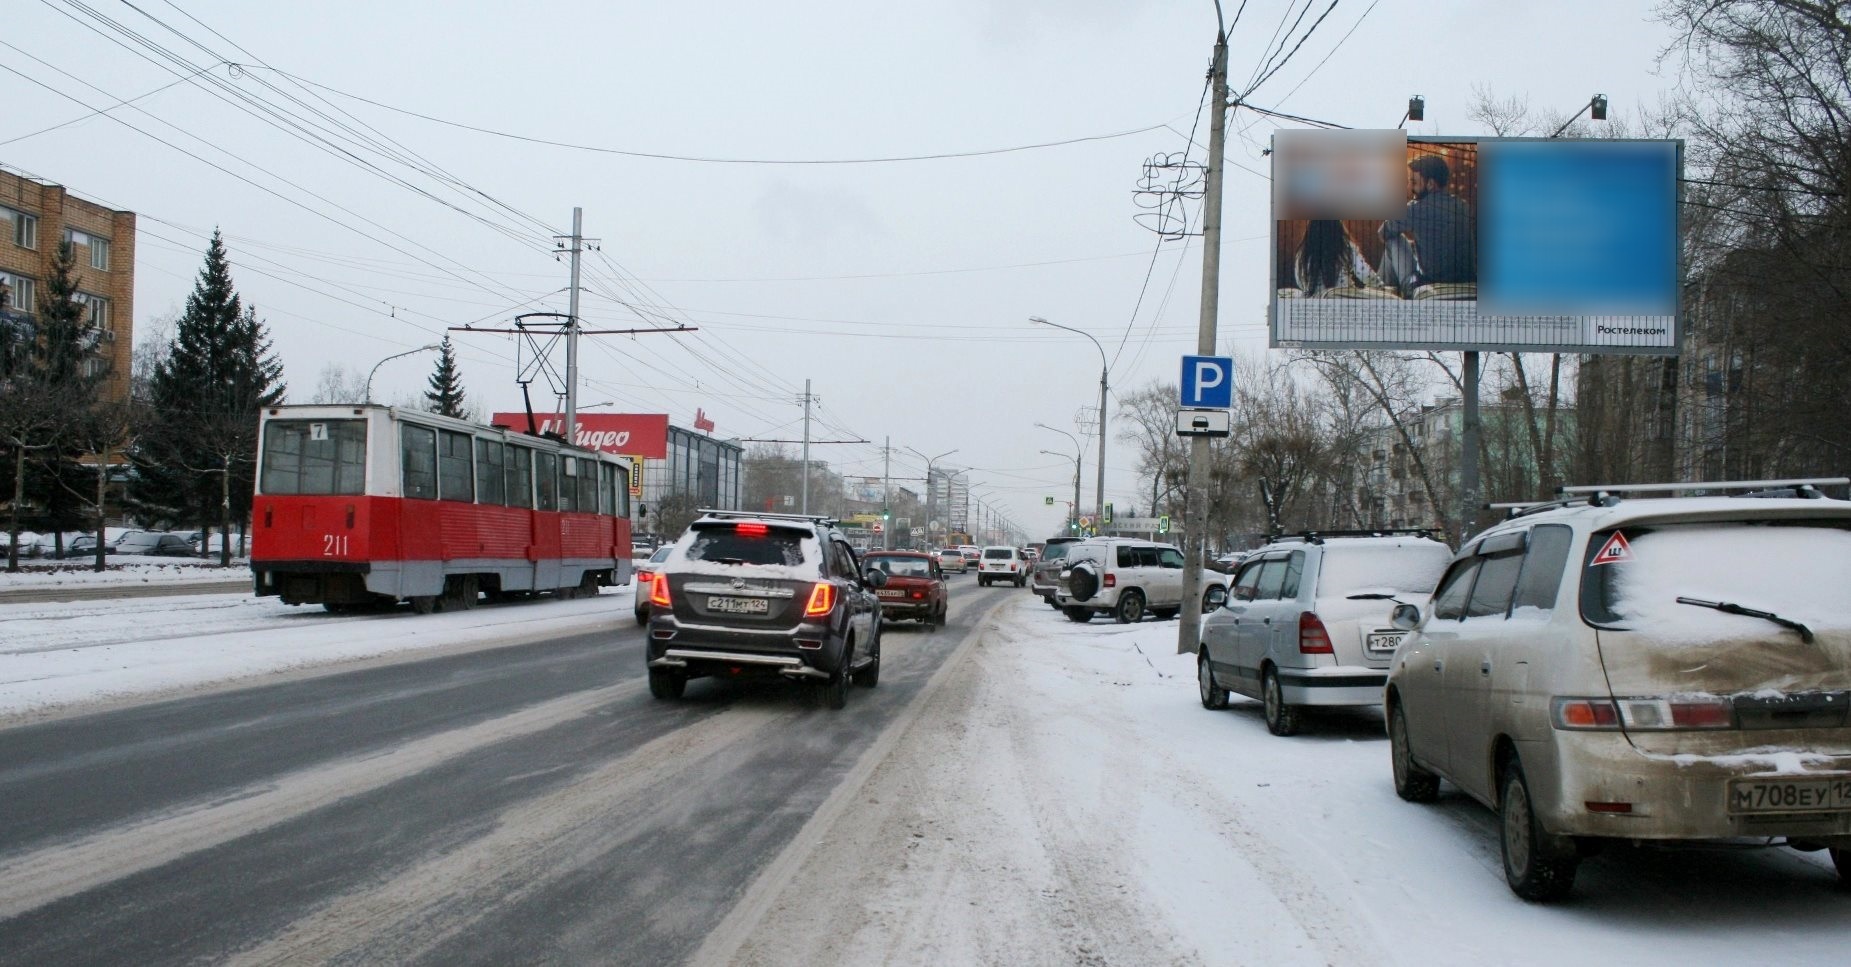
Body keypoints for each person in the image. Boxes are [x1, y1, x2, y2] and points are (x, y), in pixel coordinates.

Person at [1379, 153, 1475, 297]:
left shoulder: (1416, 208)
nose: (1409, 186)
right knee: (1411, 245)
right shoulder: (1462, 206)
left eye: (1414, 182)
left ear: (1430, 184)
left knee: (1393, 240)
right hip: (1466, 280)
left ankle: (1383, 294)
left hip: (1429, 284)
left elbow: (1383, 233)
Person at [1293, 219, 1383, 296]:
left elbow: (1300, 281)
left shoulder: (1302, 252)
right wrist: (1380, 287)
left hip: (1314, 300)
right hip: (1342, 297)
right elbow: (1365, 274)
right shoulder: (1346, 247)